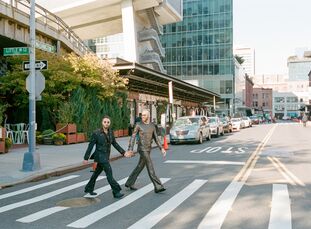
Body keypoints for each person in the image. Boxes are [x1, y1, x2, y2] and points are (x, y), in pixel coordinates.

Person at [83, 115, 132, 198]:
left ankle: (89, 188)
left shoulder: (110, 132)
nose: (106, 123)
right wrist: (86, 158)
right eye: (105, 122)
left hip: (106, 156)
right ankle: (116, 191)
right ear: (102, 123)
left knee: (96, 174)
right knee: (109, 174)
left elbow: (115, 144)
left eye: (108, 122)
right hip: (100, 157)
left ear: (110, 123)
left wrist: (123, 153)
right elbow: (90, 146)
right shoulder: (96, 133)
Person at [125, 109, 167, 193]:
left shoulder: (152, 126)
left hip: (148, 149)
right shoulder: (138, 124)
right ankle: (158, 186)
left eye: (144, 115)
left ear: (148, 116)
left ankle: (129, 182)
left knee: (140, 166)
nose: (142, 116)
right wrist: (130, 149)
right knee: (150, 166)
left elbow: (156, 138)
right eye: (142, 115)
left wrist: (161, 148)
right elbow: (133, 137)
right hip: (142, 149)